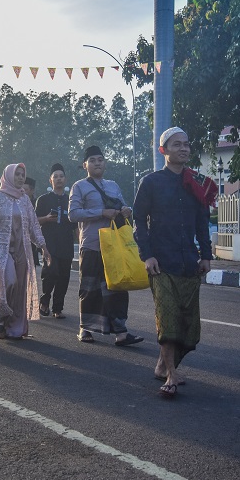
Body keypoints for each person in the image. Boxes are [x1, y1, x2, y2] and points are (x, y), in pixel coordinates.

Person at [134, 128, 216, 398]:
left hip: (189, 263)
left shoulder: (197, 182)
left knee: (188, 327)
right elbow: (139, 222)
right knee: (168, 320)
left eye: (186, 144)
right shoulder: (150, 182)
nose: (183, 148)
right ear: (163, 150)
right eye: (177, 144)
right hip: (161, 263)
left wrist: (206, 255)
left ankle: (162, 364)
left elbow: (202, 222)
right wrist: (147, 255)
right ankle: (171, 374)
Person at [68, 145, 142, 346]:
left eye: (100, 159)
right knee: (90, 288)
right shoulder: (79, 186)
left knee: (118, 287)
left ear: (105, 163)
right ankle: (85, 329)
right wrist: (101, 212)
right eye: (92, 160)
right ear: (85, 165)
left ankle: (121, 332)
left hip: (115, 246)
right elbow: (73, 214)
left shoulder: (113, 185)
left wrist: (126, 210)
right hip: (92, 245)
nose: (97, 163)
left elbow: (122, 205)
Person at [0, 163, 50, 340]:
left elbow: (33, 226)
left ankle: (13, 327)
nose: (20, 177)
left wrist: (43, 246)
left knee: (19, 289)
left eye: (22, 175)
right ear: (8, 176)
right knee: (9, 282)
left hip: (22, 249)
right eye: (17, 174)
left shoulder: (24, 199)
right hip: (2, 248)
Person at [34, 163, 77, 319]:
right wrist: (46, 218)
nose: (59, 179)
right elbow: (34, 221)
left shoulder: (71, 200)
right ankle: (44, 301)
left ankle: (58, 309)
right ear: (50, 180)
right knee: (51, 272)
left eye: (61, 176)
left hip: (66, 244)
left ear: (65, 179)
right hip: (49, 243)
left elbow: (76, 225)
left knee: (64, 277)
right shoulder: (43, 200)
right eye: (55, 177)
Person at [23, 177, 41, 267]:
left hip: (32, 239)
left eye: (25, 189)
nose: (22, 191)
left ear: (32, 190)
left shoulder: (37, 203)